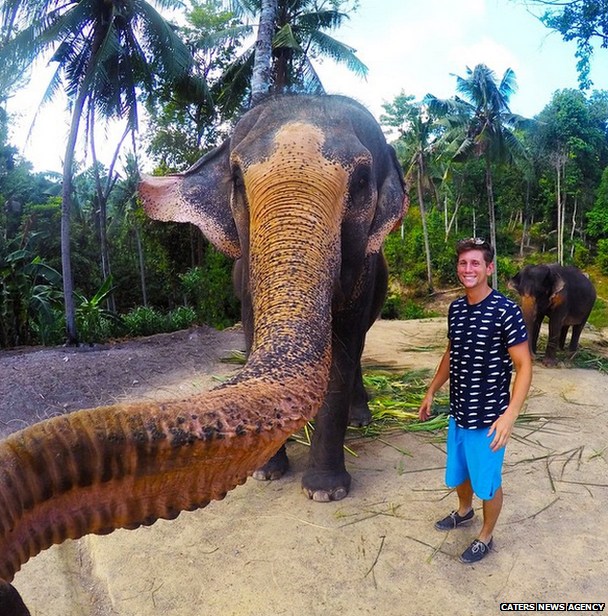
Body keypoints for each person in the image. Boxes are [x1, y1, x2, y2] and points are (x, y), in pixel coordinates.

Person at [418, 237, 532, 564]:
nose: (468, 269)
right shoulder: (455, 309)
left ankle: (486, 536)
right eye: (463, 263)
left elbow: (524, 366)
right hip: (459, 413)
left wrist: (510, 415)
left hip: (490, 420)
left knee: (488, 483)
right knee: (462, 472)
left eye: (475, 263)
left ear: (489, 268)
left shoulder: (506, 311)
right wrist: (432, 390)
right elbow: (451, 353)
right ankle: (465, 511)